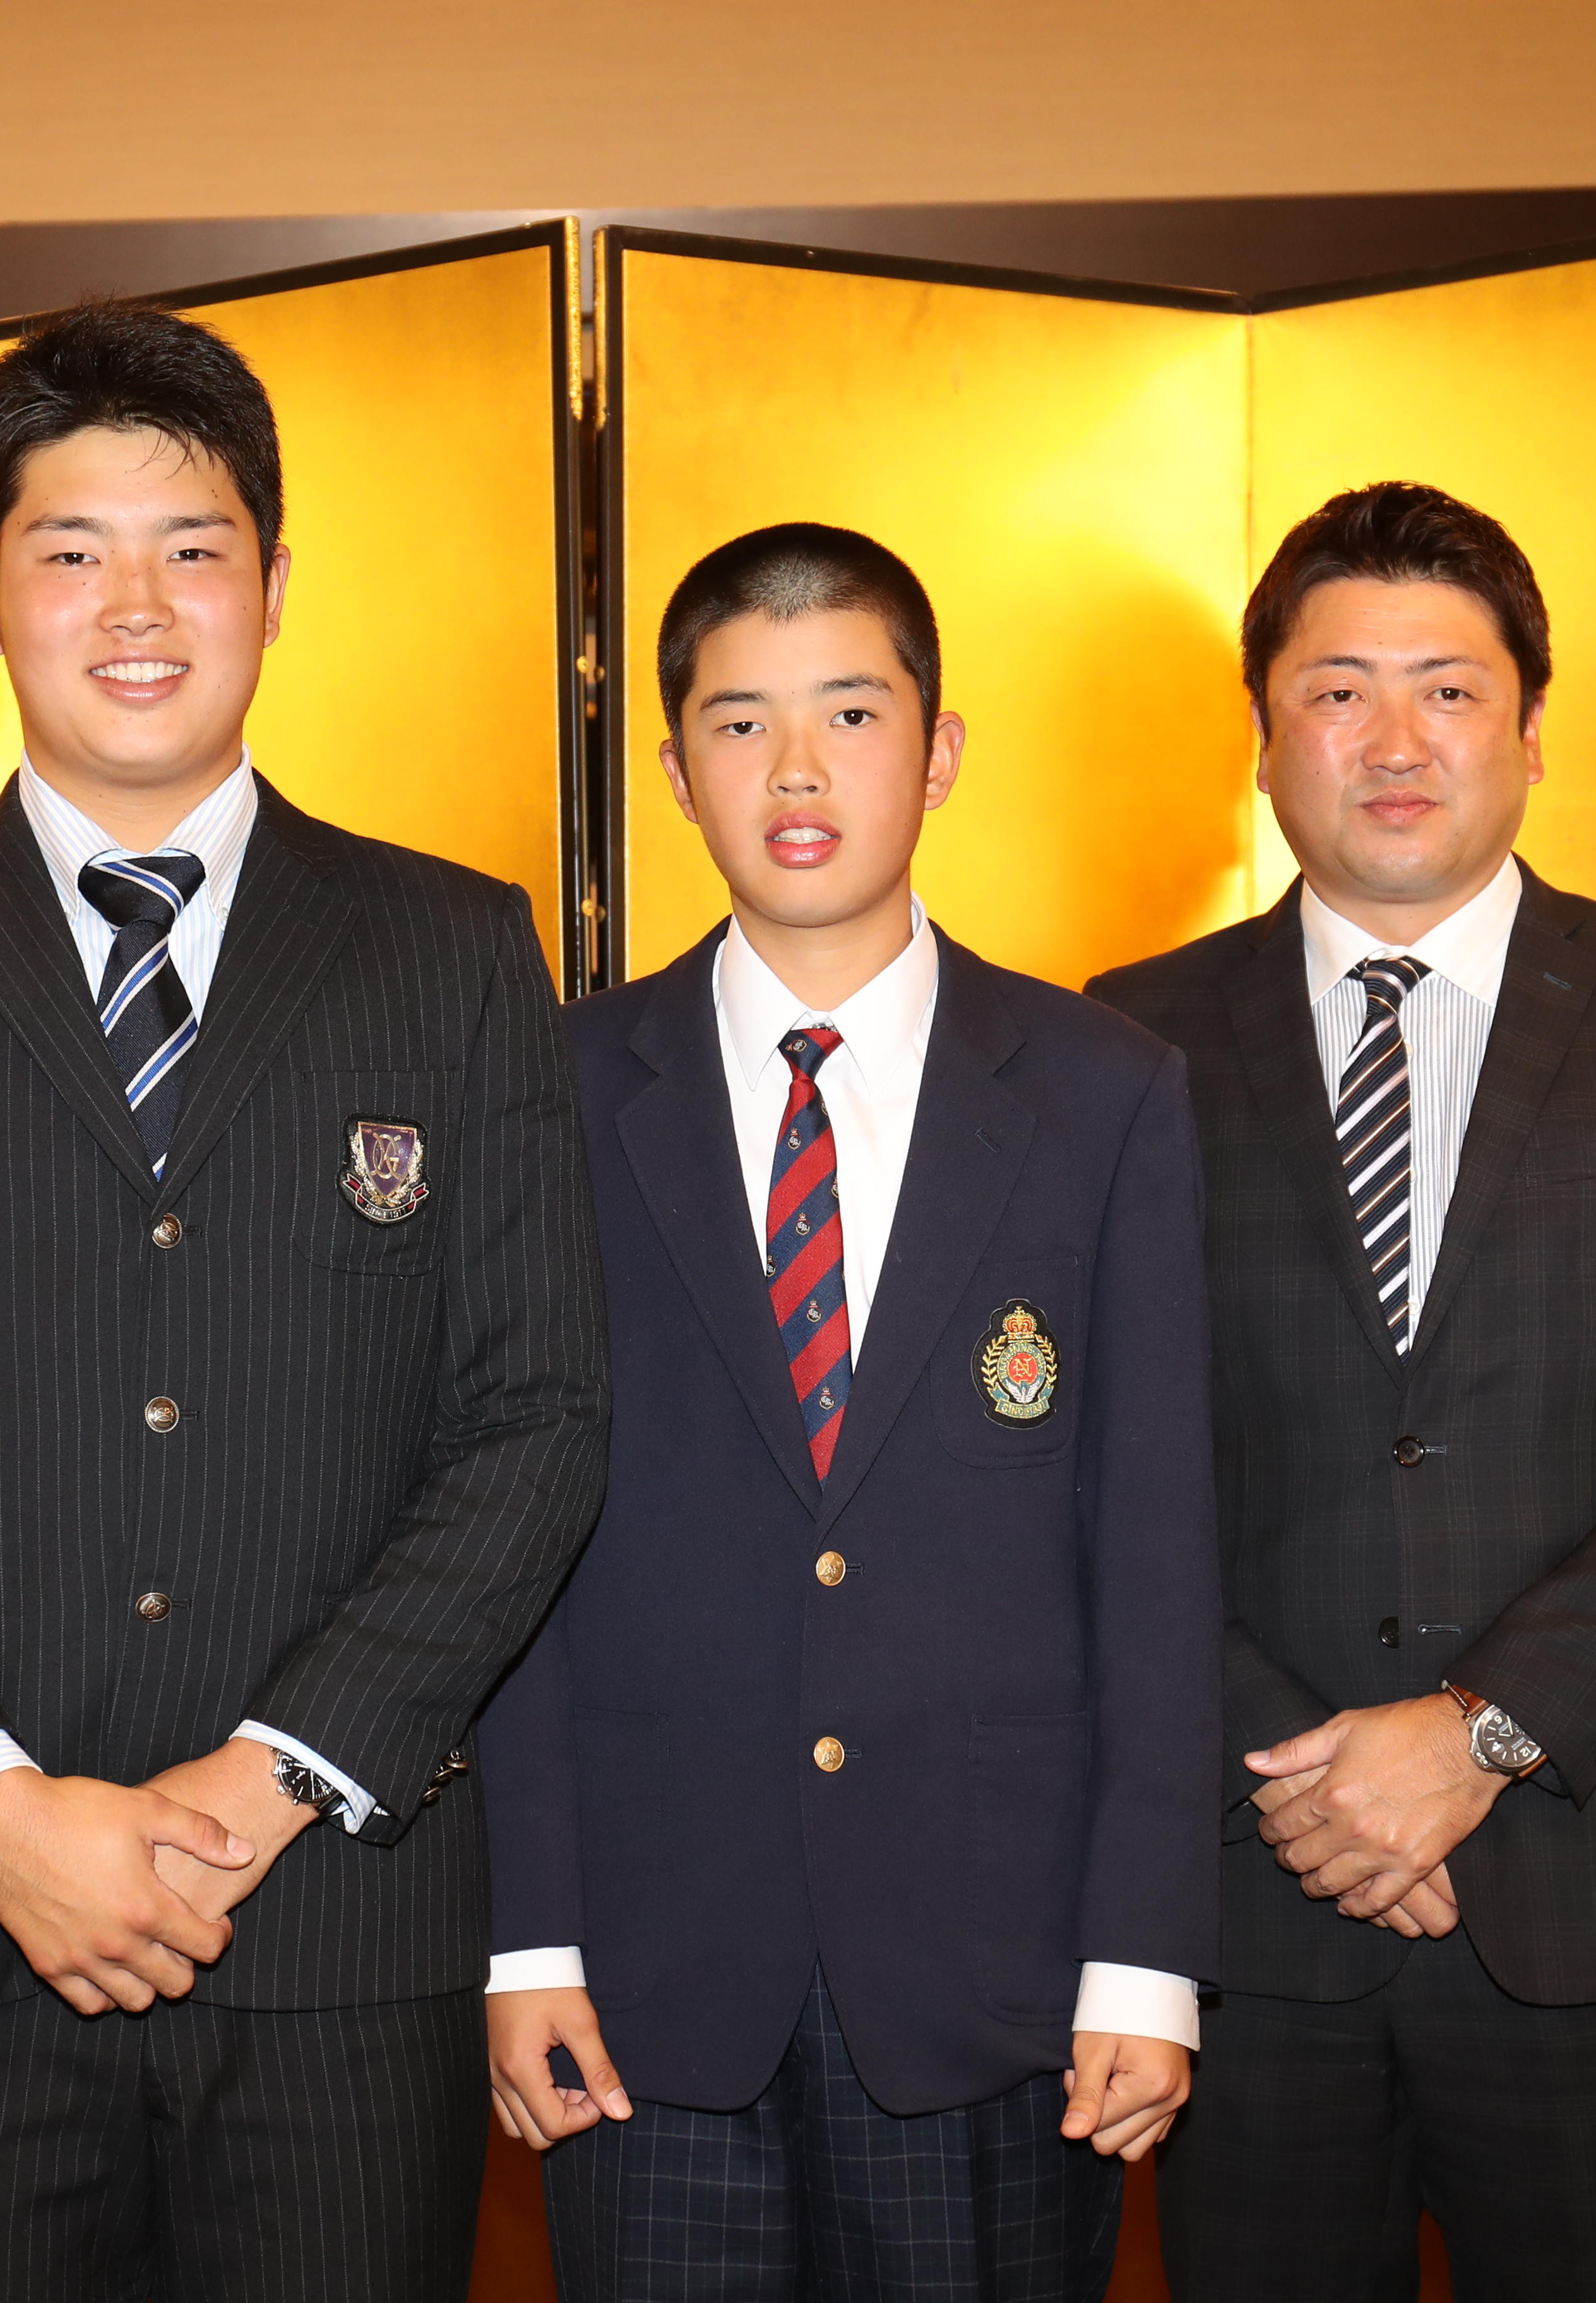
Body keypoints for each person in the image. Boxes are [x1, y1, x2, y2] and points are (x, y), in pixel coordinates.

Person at [0, 299, 613, 2303]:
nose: (137, 603)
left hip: (339, 1938)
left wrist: (273, 1776)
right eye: (71, 551)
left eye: (192, 549)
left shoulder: (453, 951)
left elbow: (535, 1416)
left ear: (276, 590)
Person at [1087, 482, 1596, 2299]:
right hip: (1262, 1899)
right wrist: (1321, 1786)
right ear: (1266, 736)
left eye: (1449, 687)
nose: (1395, 739)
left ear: (1531, 731)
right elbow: (1102, 1469)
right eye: (1339, 690)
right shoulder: (1130, 1037)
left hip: (1595, 1874)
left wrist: (1471, 1737)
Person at [479, 523, 1221, 2301]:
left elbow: (1157, 1555)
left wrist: (1143, 1962)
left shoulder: (1107, 1095)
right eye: (739, 726)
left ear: (940, 749)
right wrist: (528, 1939)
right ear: (672, 770)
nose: (796, 774)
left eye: (851, 714)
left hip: (1001, 1978)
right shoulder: (559, 1092)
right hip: (649, 1983)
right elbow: (507, 1549)